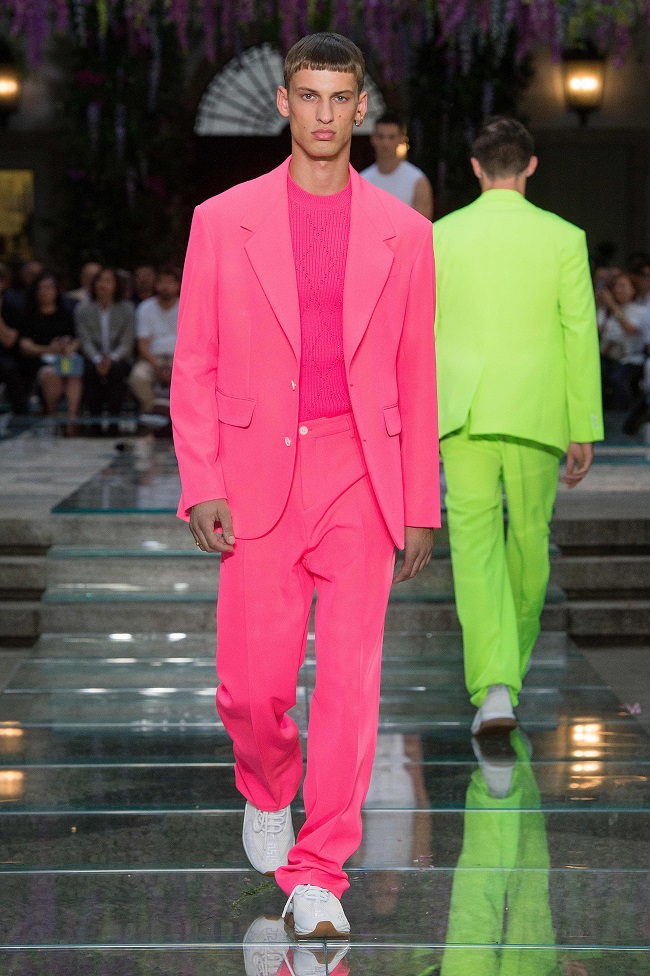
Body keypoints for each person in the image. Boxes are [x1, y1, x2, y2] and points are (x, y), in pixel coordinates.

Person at [171, 32, 439, 941]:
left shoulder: (406, 233)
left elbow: (415, 373)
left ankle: (321, 870)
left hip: (359, 472)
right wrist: (202, 478)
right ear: (285, 103)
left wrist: (419, 501)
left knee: (352, 683)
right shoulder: (223, 219)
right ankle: (266, 784)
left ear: (361, 108)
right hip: (254, 475)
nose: (326, 114)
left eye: (340, 97)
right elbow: (195, 360)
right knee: (253, 691)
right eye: (309, 96)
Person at [433, 116, 603, 737]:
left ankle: (495, 685)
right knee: (530, 541)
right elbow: (578, 331)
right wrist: (583, 423)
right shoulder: (564, 238)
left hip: (462, 411)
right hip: (537, 410)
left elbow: (421, 330)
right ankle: (507, 679)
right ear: (531, 165)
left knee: (474, 547)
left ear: (476, 168)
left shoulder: (440, 237)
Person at [74, 267, 135, 435]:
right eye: (100, 280)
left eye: (108, 281)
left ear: (116, 285)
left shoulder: (127, 309)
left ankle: (114, 424)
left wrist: (112, 358)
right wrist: (97, 359)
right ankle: (94, 425)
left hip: (118, 358)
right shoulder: (82, 310)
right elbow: (85, 340)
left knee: (117, 371)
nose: (103, 285)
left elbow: (127, 342)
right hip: (93, 357)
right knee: (89, 371)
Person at [17, 272, 83, 426]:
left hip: (64, 359)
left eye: (49, 288)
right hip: (40, 363)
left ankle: (72, 420)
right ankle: (51, 418)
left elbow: (78, 338)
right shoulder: (28, 316)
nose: (44, 291)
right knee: (51, 373)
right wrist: (49, 349)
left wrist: (69, 347)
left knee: (74, 372)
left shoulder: (66, 314)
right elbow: (25, 346)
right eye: (41, 288)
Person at [360, 111, 434, 219]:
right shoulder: (362, 181)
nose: (386, 143)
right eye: (381, 136)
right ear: (373, 139)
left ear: (401, 139)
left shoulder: (417, 181)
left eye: (391, 137)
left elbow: (424, 225)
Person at [128, 265, 180, 414]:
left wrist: (176, 365)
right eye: (162, 282)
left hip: (179, 359)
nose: (165, 286)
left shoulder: (186, 305)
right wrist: (157, 367)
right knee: (138, 377)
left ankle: (179, 412)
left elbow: (191, 343)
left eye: (170, 282)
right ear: (156, 285)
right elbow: (142, 345)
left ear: (178, 285)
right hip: (152, 359)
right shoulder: (145, 308)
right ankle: (153, 410)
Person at [598, 272, 646, 409]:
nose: (618, 290)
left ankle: (622, 414)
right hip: (608, 357)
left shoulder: (640, 310)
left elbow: (630, 329)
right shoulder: (606, 310)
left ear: (633, 289)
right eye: (616, 286)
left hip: (630, 358)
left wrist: (612, 305)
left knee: (618, 378)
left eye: (623, 286)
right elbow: (596, 328)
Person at [0, 263, 30, 415]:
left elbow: (9, 342)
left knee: (9, 368)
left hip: (7, 355)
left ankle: (22, 415)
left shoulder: (12, 303)